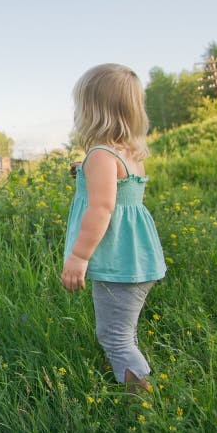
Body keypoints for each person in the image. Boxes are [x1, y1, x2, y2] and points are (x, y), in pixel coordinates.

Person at [61, 63, 167, 393]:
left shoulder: (100, 156)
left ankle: (143, 405)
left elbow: (103, 207)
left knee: (115, 338)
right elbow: (121, 192)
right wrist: (84, 168)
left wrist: (78, 256)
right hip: (138, 259)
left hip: (116, 264)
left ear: (92, 111)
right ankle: (136, 384)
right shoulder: (130, 154)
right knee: (124, 330)